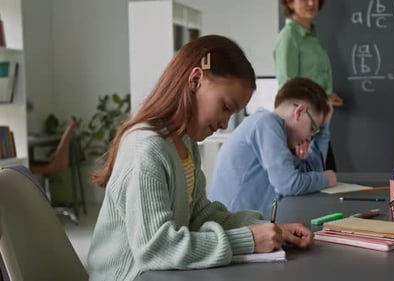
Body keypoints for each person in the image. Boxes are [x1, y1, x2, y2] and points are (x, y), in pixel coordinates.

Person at [87, 35, 313, 281]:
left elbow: (200, 214)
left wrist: (270, 229)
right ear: (195, 80)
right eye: (225, 107)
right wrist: (247, 240)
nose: (226, 124)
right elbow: (155, 250)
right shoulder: (146, 149)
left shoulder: (185, 143)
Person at [209, 77, 337, 213]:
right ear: (299, 112)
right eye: (312, 128)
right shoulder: (266, 123)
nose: (309, 138)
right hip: (233, 229)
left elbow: (312, 171)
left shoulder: (279, 135)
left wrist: (323, 128)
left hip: (252, 225)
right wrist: (326, 179)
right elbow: (288, 184)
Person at [273, 0, 341, 170]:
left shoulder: (312, 37)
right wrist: (298, 135)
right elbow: (288, 89)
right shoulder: (289, 37)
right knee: (319, 179)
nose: (312, 3)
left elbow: (310, 79)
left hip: (317, 121)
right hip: (302, 126)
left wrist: (326, 97)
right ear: (289, 3)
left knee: (327, 176)